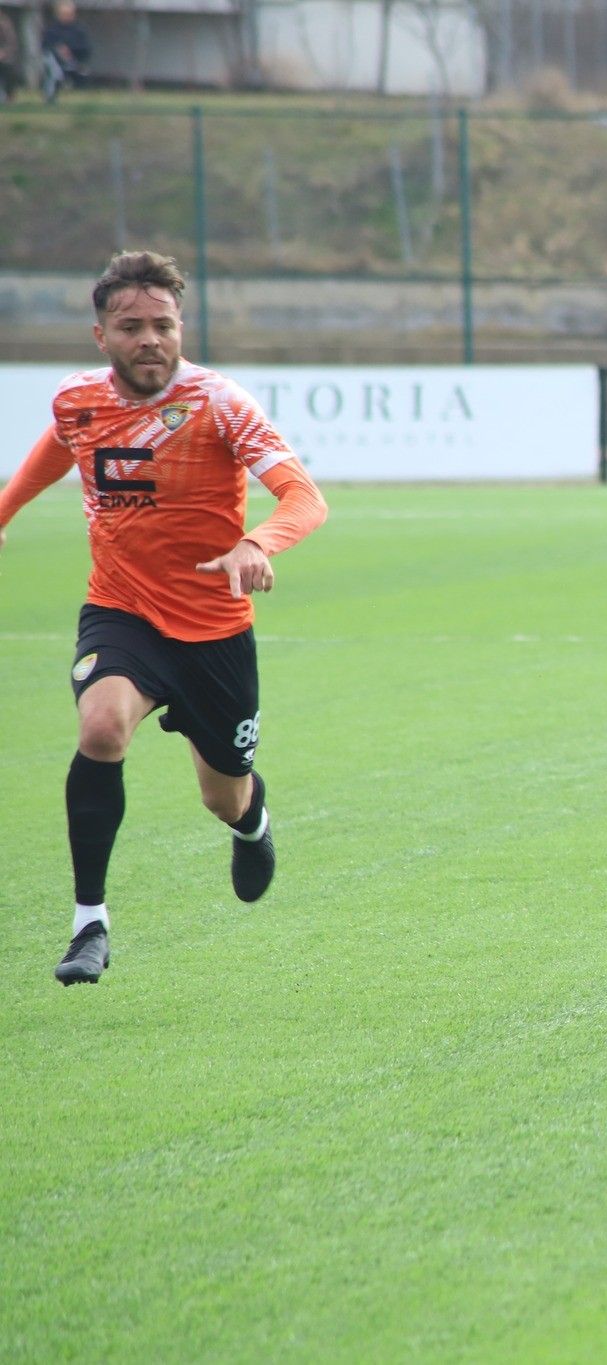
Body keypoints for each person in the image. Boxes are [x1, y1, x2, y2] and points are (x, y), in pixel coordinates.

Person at [0, 251, 328, 986]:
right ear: (102, 336)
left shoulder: (219, 402)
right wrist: (4, 509)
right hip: (122, 611)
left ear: (181, 326)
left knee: (224, 796)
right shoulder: (77, 398)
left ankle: (253, 823)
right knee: (101, 727)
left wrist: (257, 542)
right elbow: (61, 445)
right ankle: (90, 923)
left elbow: (304, 497)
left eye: (164, 324)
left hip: (214, 631)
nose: (150, 338)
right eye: (131, 327)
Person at [38, 0, 91, 101]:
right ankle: (50, 95)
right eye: (64, 14)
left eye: (69, 14)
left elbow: (86, 49)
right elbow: (45, 46)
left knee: (82, 73)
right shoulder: (52, 30)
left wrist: (71, 51)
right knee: (53, 70)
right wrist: (58, 50)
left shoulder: (79, 31)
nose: (67, 17)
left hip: (74, 62)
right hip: (55, 62)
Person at [0, 9, 22, 103]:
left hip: (4, 57)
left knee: (9, 67)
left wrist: (3, 52)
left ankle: (10, 96)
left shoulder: (6, 25)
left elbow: (12, 43)